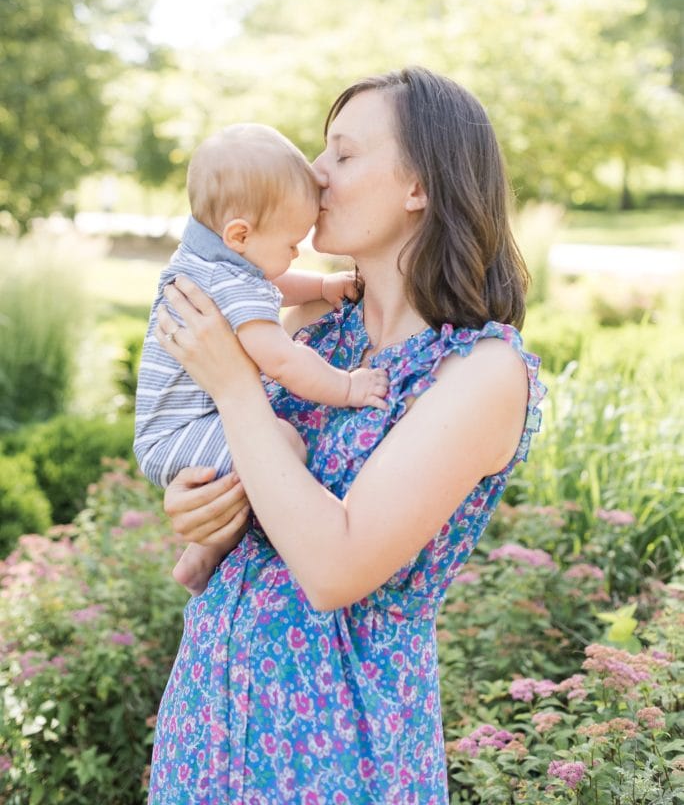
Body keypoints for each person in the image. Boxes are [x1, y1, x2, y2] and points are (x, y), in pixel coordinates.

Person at [147, 67, 546, 805]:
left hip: (333, 750)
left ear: (419, 186)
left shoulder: (481, 374)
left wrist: (236, 389)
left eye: (342, 153)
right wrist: (200, 505)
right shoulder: (310, 333)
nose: (314, 172)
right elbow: (254, 480)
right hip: (210, 720)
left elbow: (333, 569)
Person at [135, 124, 388, 595]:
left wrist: (320, 288)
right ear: (239, 234)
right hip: (180, 434)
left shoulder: (212, 262)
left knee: (273, 441)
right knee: (284, 443)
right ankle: (205, 553)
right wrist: (348, 386)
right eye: (291, 243)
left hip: (175, 429)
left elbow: (268, 284)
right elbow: (283, 361)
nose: (296, 253)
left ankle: (205, 551)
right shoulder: (228, 280)